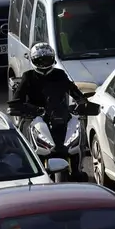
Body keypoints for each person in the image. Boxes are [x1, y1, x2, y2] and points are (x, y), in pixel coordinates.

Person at [13, 42, 88, 175]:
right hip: (34, 116)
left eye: (46, 59)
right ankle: (25, 168)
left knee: (77, 129)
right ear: (33, 60)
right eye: (39, 60)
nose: (43, 63)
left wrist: (81, 102)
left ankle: (78, 168)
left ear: (52, 58)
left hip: (59, 116)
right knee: (20, 140)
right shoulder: (28, 76)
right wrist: (24, 108)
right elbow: (16, 100)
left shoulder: (60, 74)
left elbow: (73, 90)